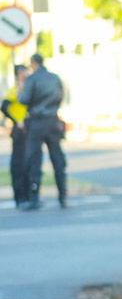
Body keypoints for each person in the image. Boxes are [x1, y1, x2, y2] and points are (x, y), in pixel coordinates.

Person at [18, 53, 67, 210]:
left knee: (34, 160)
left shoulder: (32, 79)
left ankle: (34, 197)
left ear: (33, 63)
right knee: (57, 159)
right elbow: (60, 97)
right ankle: (63, 196)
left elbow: (23, 99)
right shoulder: (54, 78)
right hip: (52, 120)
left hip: (37, 122)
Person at [1, 65, 31, 207]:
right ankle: (19, 196)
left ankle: (29, 194)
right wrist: (16, 121)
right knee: (19, 164)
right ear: (19, 73)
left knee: (30, 163)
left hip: (30, 129)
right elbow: (4, 106)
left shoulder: (29, 88)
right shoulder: (14, 90)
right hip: (19, 130)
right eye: (24, 71)